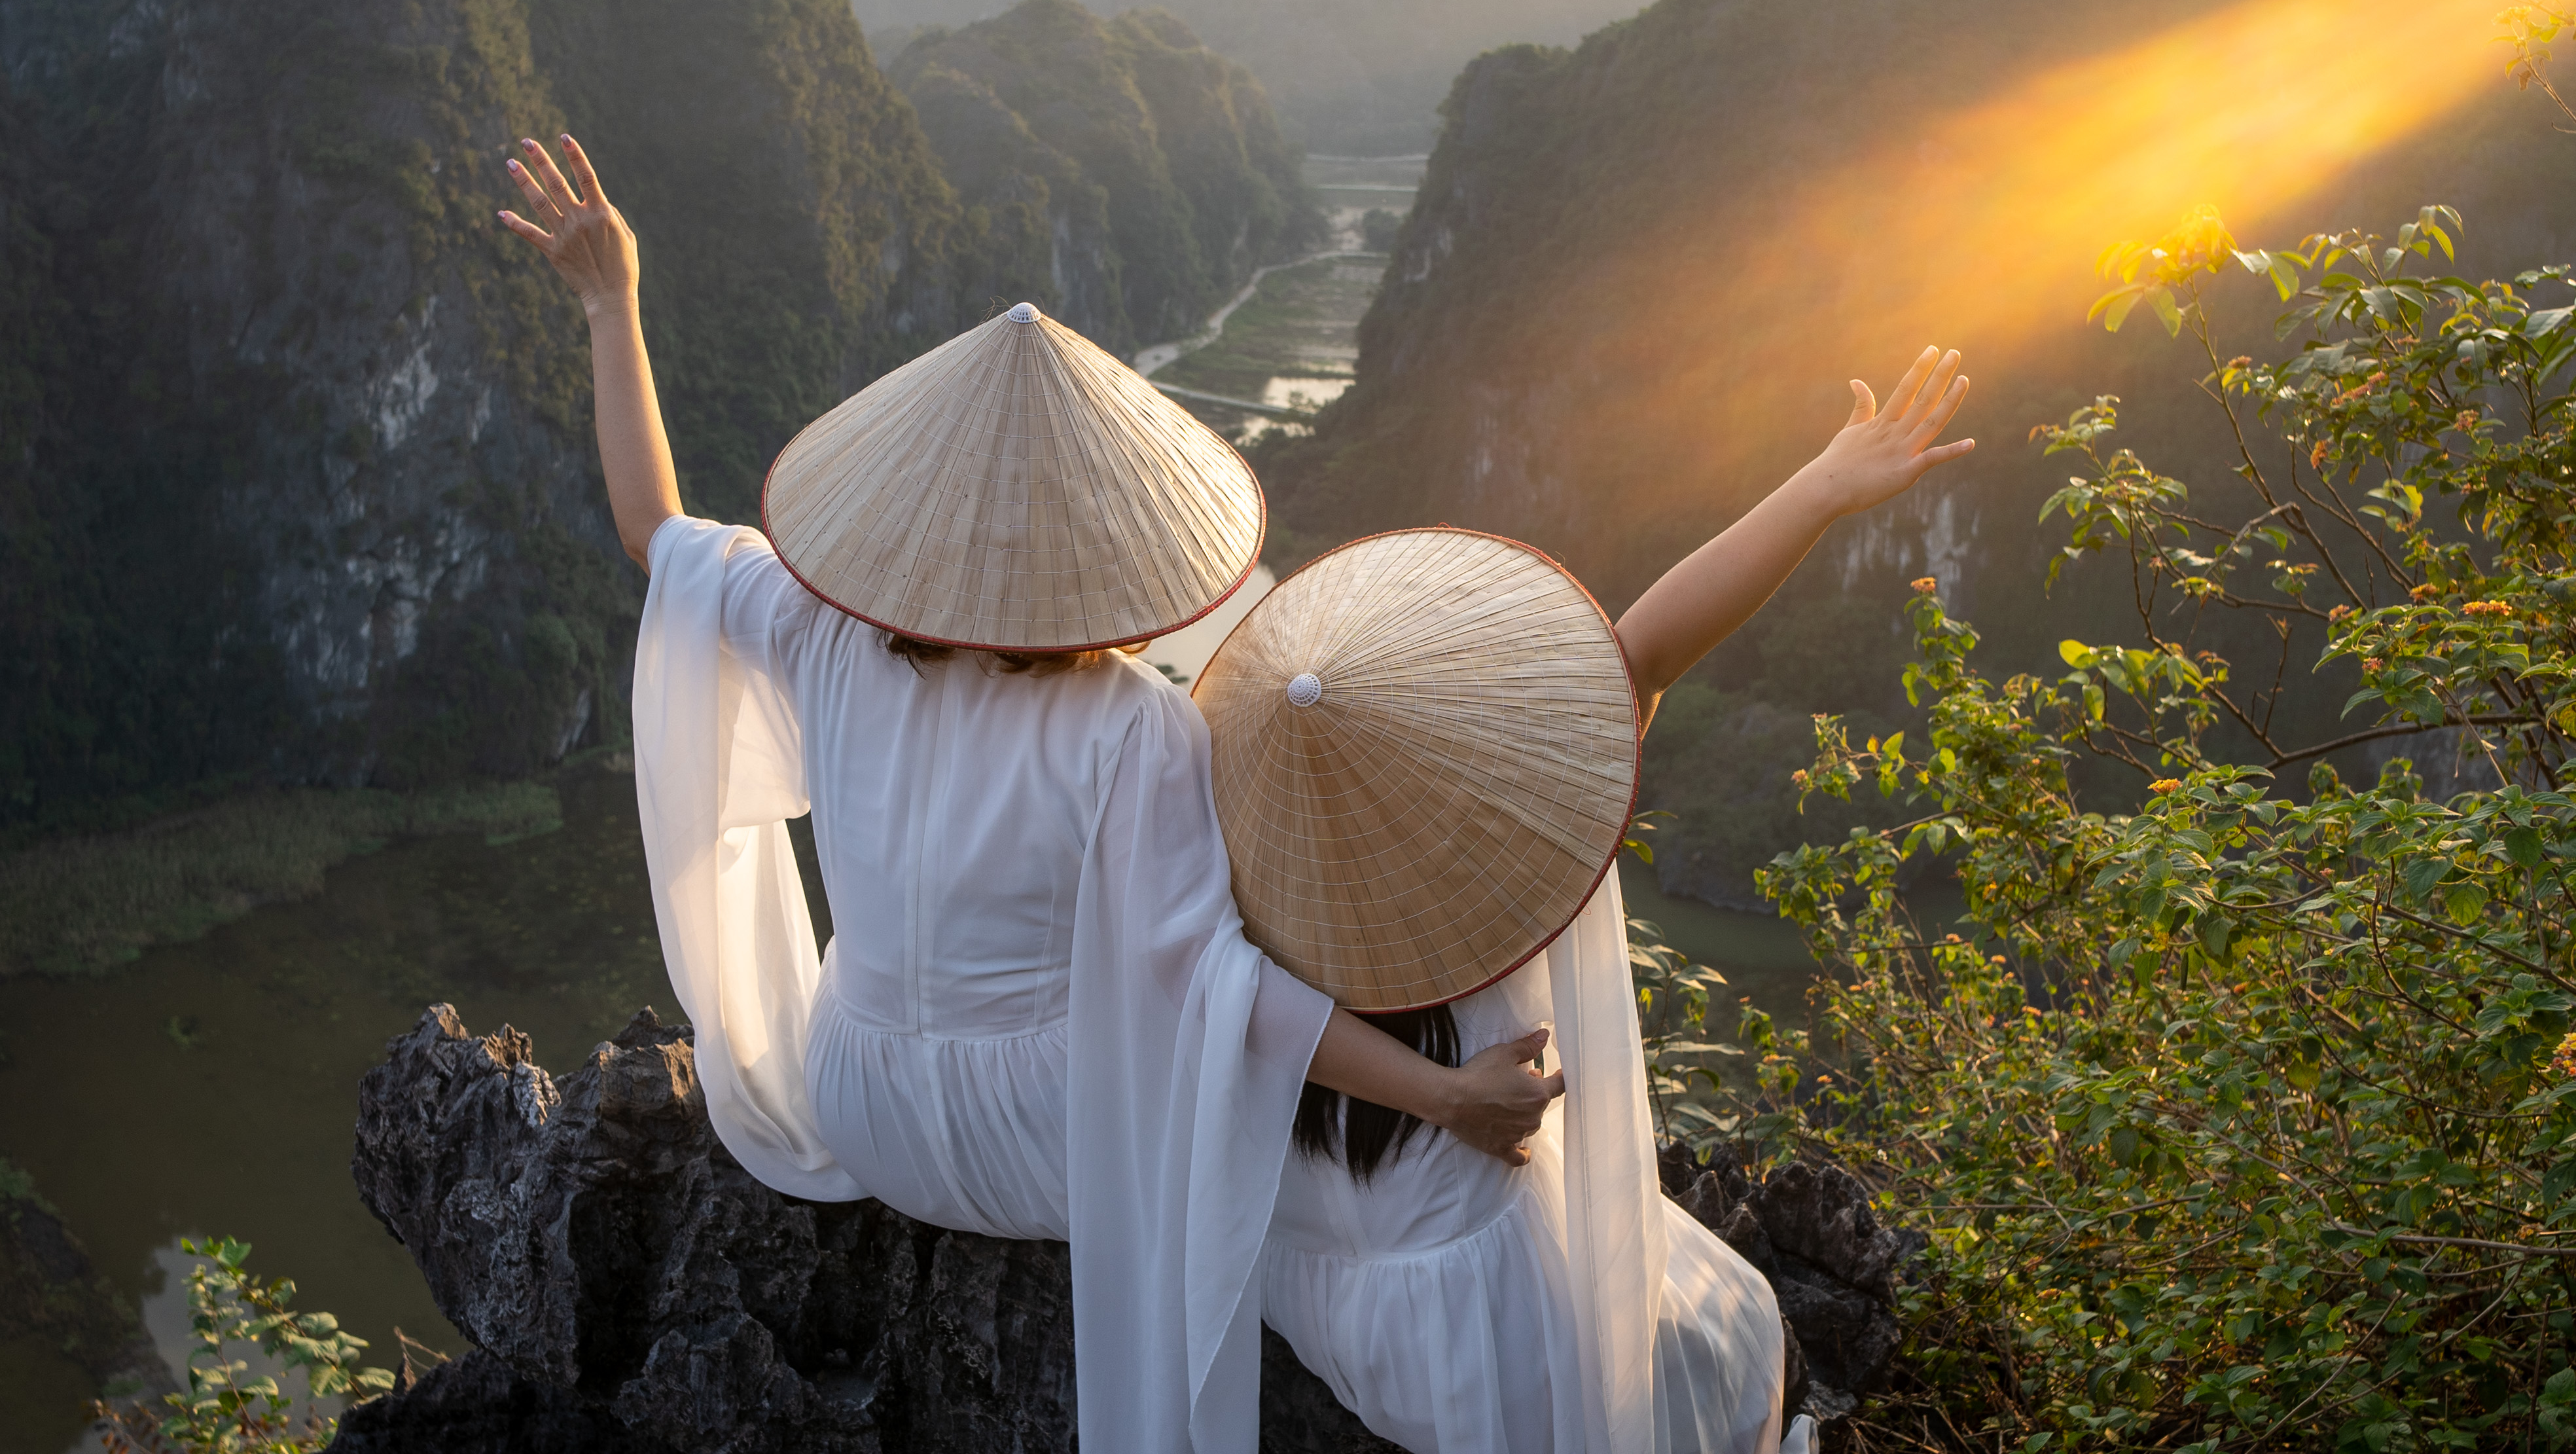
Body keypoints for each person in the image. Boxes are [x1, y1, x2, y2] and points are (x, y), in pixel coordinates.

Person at [496, 136, 1562, 1453]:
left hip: (862, 1100)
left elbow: (651, 528)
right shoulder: (1134, 728)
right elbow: (1208, 986)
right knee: (1359, 1036)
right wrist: (1445, 1097)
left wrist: (613, 304)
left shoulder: (824, 634)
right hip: (1055, 1146)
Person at [1192, 351, 1973, 1454]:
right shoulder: (1496, 897)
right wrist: (1823, 487)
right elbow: (1644, 653)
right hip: (1490, 1342)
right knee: (1736, 1333)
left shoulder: (1224, 884)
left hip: (1305, 1293)